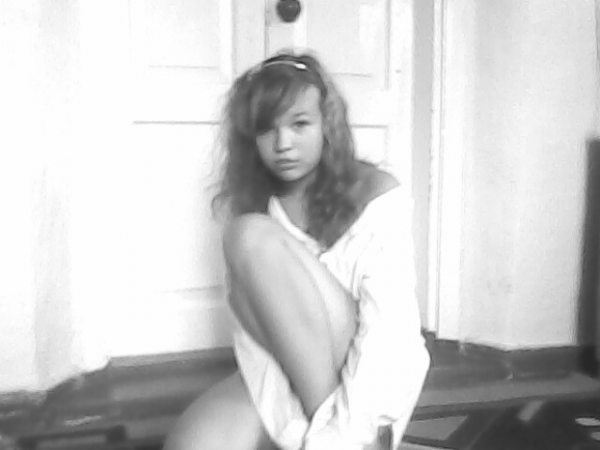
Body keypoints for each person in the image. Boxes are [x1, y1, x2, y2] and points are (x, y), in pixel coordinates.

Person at [164, 50, 430, 450]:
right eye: (266, 129)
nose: (283, 144)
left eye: (299, 124)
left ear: (327, 124)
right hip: (285, 369)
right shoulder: (260, 204)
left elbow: (388, 334)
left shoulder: (376, 194)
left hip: (369, 373)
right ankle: (317, 429)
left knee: (248, 235)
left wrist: (341, 433)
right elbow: (254, 330)